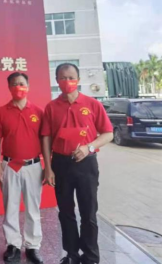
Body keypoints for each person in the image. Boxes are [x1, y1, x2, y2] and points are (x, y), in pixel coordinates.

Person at [41, 63, 113, 264]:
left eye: (71, 77)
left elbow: (108, 134)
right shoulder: (51, 107)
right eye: (63, 78)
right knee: (65, 212)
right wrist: (48, 167)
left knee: (88, 212)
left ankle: (90, 256)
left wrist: (89, 147)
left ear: (79, 80)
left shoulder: (92, 104)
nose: (67, 81)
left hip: (86, 165)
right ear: (57, 81)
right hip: (61, 164)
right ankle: (71, 254)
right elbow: (46, 138)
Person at [0, 73, 44, 264]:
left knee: (33, 209)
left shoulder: (38, 111)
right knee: (10, 207)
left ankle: (32, 246)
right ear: (9, 88)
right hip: (10, 165)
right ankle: (12, 244)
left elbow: (45, 140)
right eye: (14, 84)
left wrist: (48, 166)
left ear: (28, 86)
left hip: (33, 165)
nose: (18, 87)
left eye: (22, 84)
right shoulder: (1, 112)